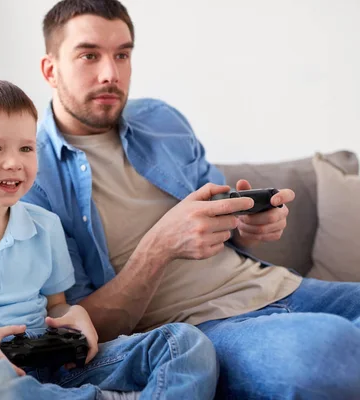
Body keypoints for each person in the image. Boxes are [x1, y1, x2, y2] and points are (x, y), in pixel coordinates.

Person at [21, 0, 360, 399]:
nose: (110, 73)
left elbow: (226, 221)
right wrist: (160, 246)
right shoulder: (30, 173)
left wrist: (248, 225)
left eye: (122, 55)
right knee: (328, 348)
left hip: (281, 288)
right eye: (89, 55)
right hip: (202, 329)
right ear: (51, 70)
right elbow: (83, 328)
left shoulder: (162, 121)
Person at [0, 78, 218, 400]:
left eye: (26, 148)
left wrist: (73, 316)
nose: (14, 162)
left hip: (53, 360)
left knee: (185, 343)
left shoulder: (45, 225)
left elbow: (57, 305)